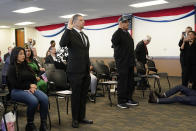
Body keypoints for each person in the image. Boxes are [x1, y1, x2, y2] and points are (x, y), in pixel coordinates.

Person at [59, 14, 93, 128]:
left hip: (85, 71)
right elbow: (62, 43)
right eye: (81, 20)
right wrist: (68, 28)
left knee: (83, 95)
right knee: (76, 96)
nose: (84, 22)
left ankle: (81, 117)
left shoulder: (85, 36)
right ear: (74, 22)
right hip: (75, 71)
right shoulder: (70, 33)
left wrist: (89, 66)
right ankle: (75, 119)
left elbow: (85, 53)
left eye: (84, 20)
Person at [7, 47, 49, 131]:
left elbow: (33, 77)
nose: (24, 55)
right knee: (33, 101)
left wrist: (33, 85)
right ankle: (30, 124)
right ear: (15, 55)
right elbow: (14, 84)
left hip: (29, 88)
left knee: (45, 98)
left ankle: (43, 123)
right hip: (16, 91)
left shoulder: (25, 65)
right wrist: (29, 86)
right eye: (21, 54)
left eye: (24, 53)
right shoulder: (11, 67)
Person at [111, 15, 138, 109]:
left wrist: (134, 63)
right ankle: (121, 101)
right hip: (122, 63)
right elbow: (114, 41)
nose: (128, 24)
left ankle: (128, 99)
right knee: (122, 82)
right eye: (125, 22)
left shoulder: (127, 34)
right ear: (121, 23)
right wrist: (119, 28)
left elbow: (131, 50)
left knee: (130, 82)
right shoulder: (117, 33)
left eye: (128, 22)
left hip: (130, 62)